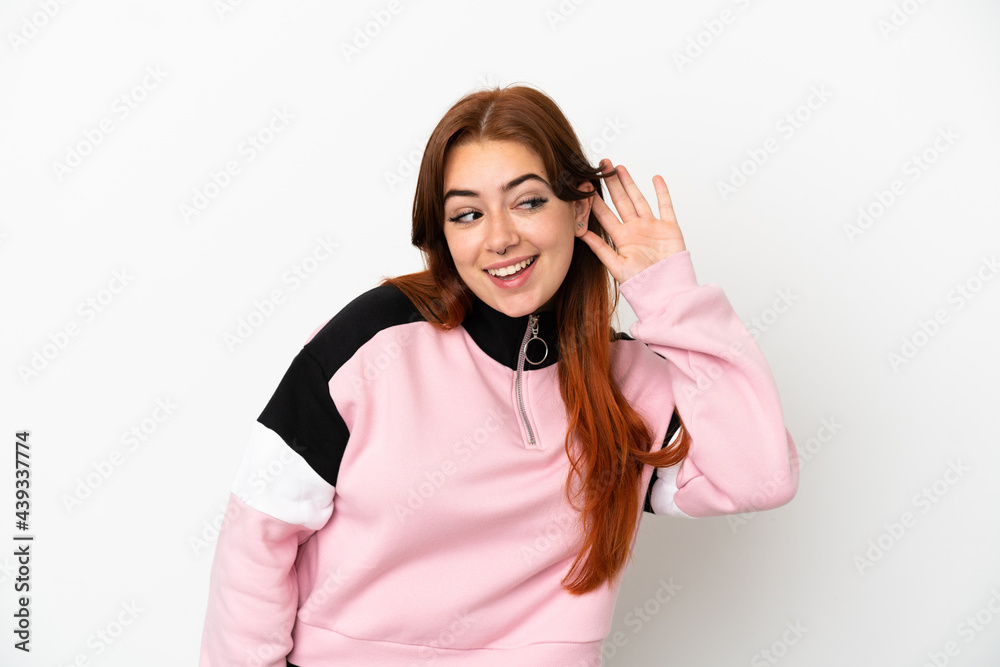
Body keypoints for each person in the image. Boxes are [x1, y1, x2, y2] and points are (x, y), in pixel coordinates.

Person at [198, 84, 799, 666]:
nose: (501, 238)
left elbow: (759, 477)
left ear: (580, 208)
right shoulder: (373, 340)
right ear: (444, 233)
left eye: (528, 202)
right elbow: (256, 536)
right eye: (467, 214)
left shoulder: (629, 382)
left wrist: (670, 297)